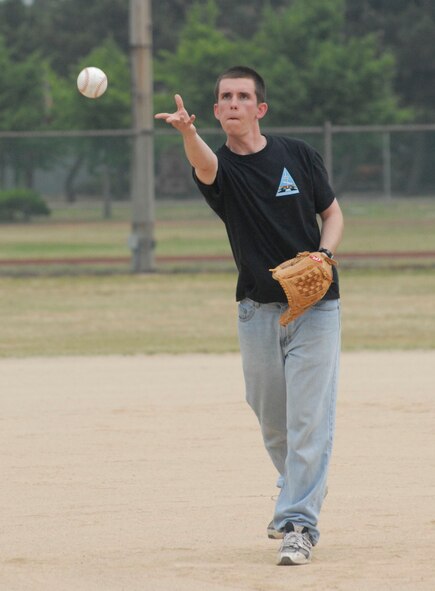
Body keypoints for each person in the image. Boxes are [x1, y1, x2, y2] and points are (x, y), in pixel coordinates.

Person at [155, 66, 344, 566]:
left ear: (260, 108)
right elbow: (202, 165)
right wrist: (188, 133)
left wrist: (324, 255)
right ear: (216, 112)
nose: (234, 103)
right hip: (256, 310)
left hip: (316, 309)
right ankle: (297, 490)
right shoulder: (222, 169)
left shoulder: (298, 155)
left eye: (243, 96)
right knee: (273, 422)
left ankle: (299, 523)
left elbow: (334, 214)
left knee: (309, 421)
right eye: (225, 97)